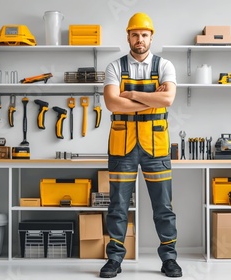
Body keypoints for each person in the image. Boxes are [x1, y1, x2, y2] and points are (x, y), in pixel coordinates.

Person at [99, 12, 182, 278]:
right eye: (135, 34)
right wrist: (150, 100)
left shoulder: (165, 65)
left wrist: (132, 95)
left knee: (163, 207)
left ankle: (169, 259)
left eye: (144, 35)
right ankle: (114, 259)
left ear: (151, 37)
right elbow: (112, 103)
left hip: (156, 146)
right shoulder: (114, 67)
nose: (139, 39)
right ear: (128, 37)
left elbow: (168, 100)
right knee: (118, 206)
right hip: (121, 146)